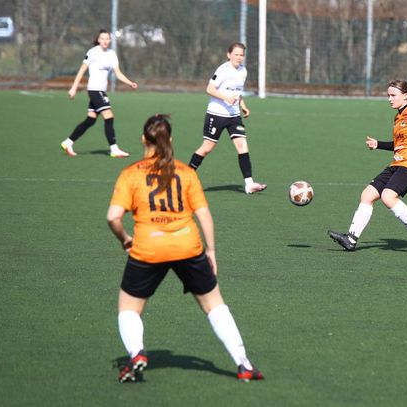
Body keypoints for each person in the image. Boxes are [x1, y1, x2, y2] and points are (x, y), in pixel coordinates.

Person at [107, 114, 264, 383]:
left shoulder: (130, 174)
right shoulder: (185, 172)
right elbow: (204, 215)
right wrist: (211, 252)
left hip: (148, 247)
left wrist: (124, 239)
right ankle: (244, 364)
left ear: (143, 139)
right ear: (170, 140)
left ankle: (136, 354)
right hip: (188, 246)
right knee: (214, 306)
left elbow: (113, 217)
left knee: (129, 308)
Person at [328, 79, 407, 254]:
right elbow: (399, 145)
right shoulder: (398, 117)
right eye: (388, 95)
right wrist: (378, 144)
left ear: (405, 95)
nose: (389, 99)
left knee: (388, 196)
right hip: (397, 163)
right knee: (367, 195)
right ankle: (351, 239)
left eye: (393, 95)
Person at [188, 42, 267, 194]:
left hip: (234, 116)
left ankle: (249, 184)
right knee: (207, 148)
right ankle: (186, 177)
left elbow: (237, 92)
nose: (239, 57)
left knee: (242, 146)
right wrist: (226, 98)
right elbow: (209, 89)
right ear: (229, 54)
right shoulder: (223, 70)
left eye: (241, 55)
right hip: (216, 114)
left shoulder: (243, 71)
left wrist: (243, 105)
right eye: (236, 54)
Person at [61, 29, 138, 158]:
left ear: (110, 40)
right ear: (98, 40)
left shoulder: (112, 54)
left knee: (90, 120)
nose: (105, 41)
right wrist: (73, 88)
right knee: (109, 116)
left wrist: (130, 83)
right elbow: (81, 71)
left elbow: (118, 73)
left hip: (101, 90)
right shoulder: (92, 52)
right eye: (102, 38)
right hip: (94, 90)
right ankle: (114, 149)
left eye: (107, 38)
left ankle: (68, 142)